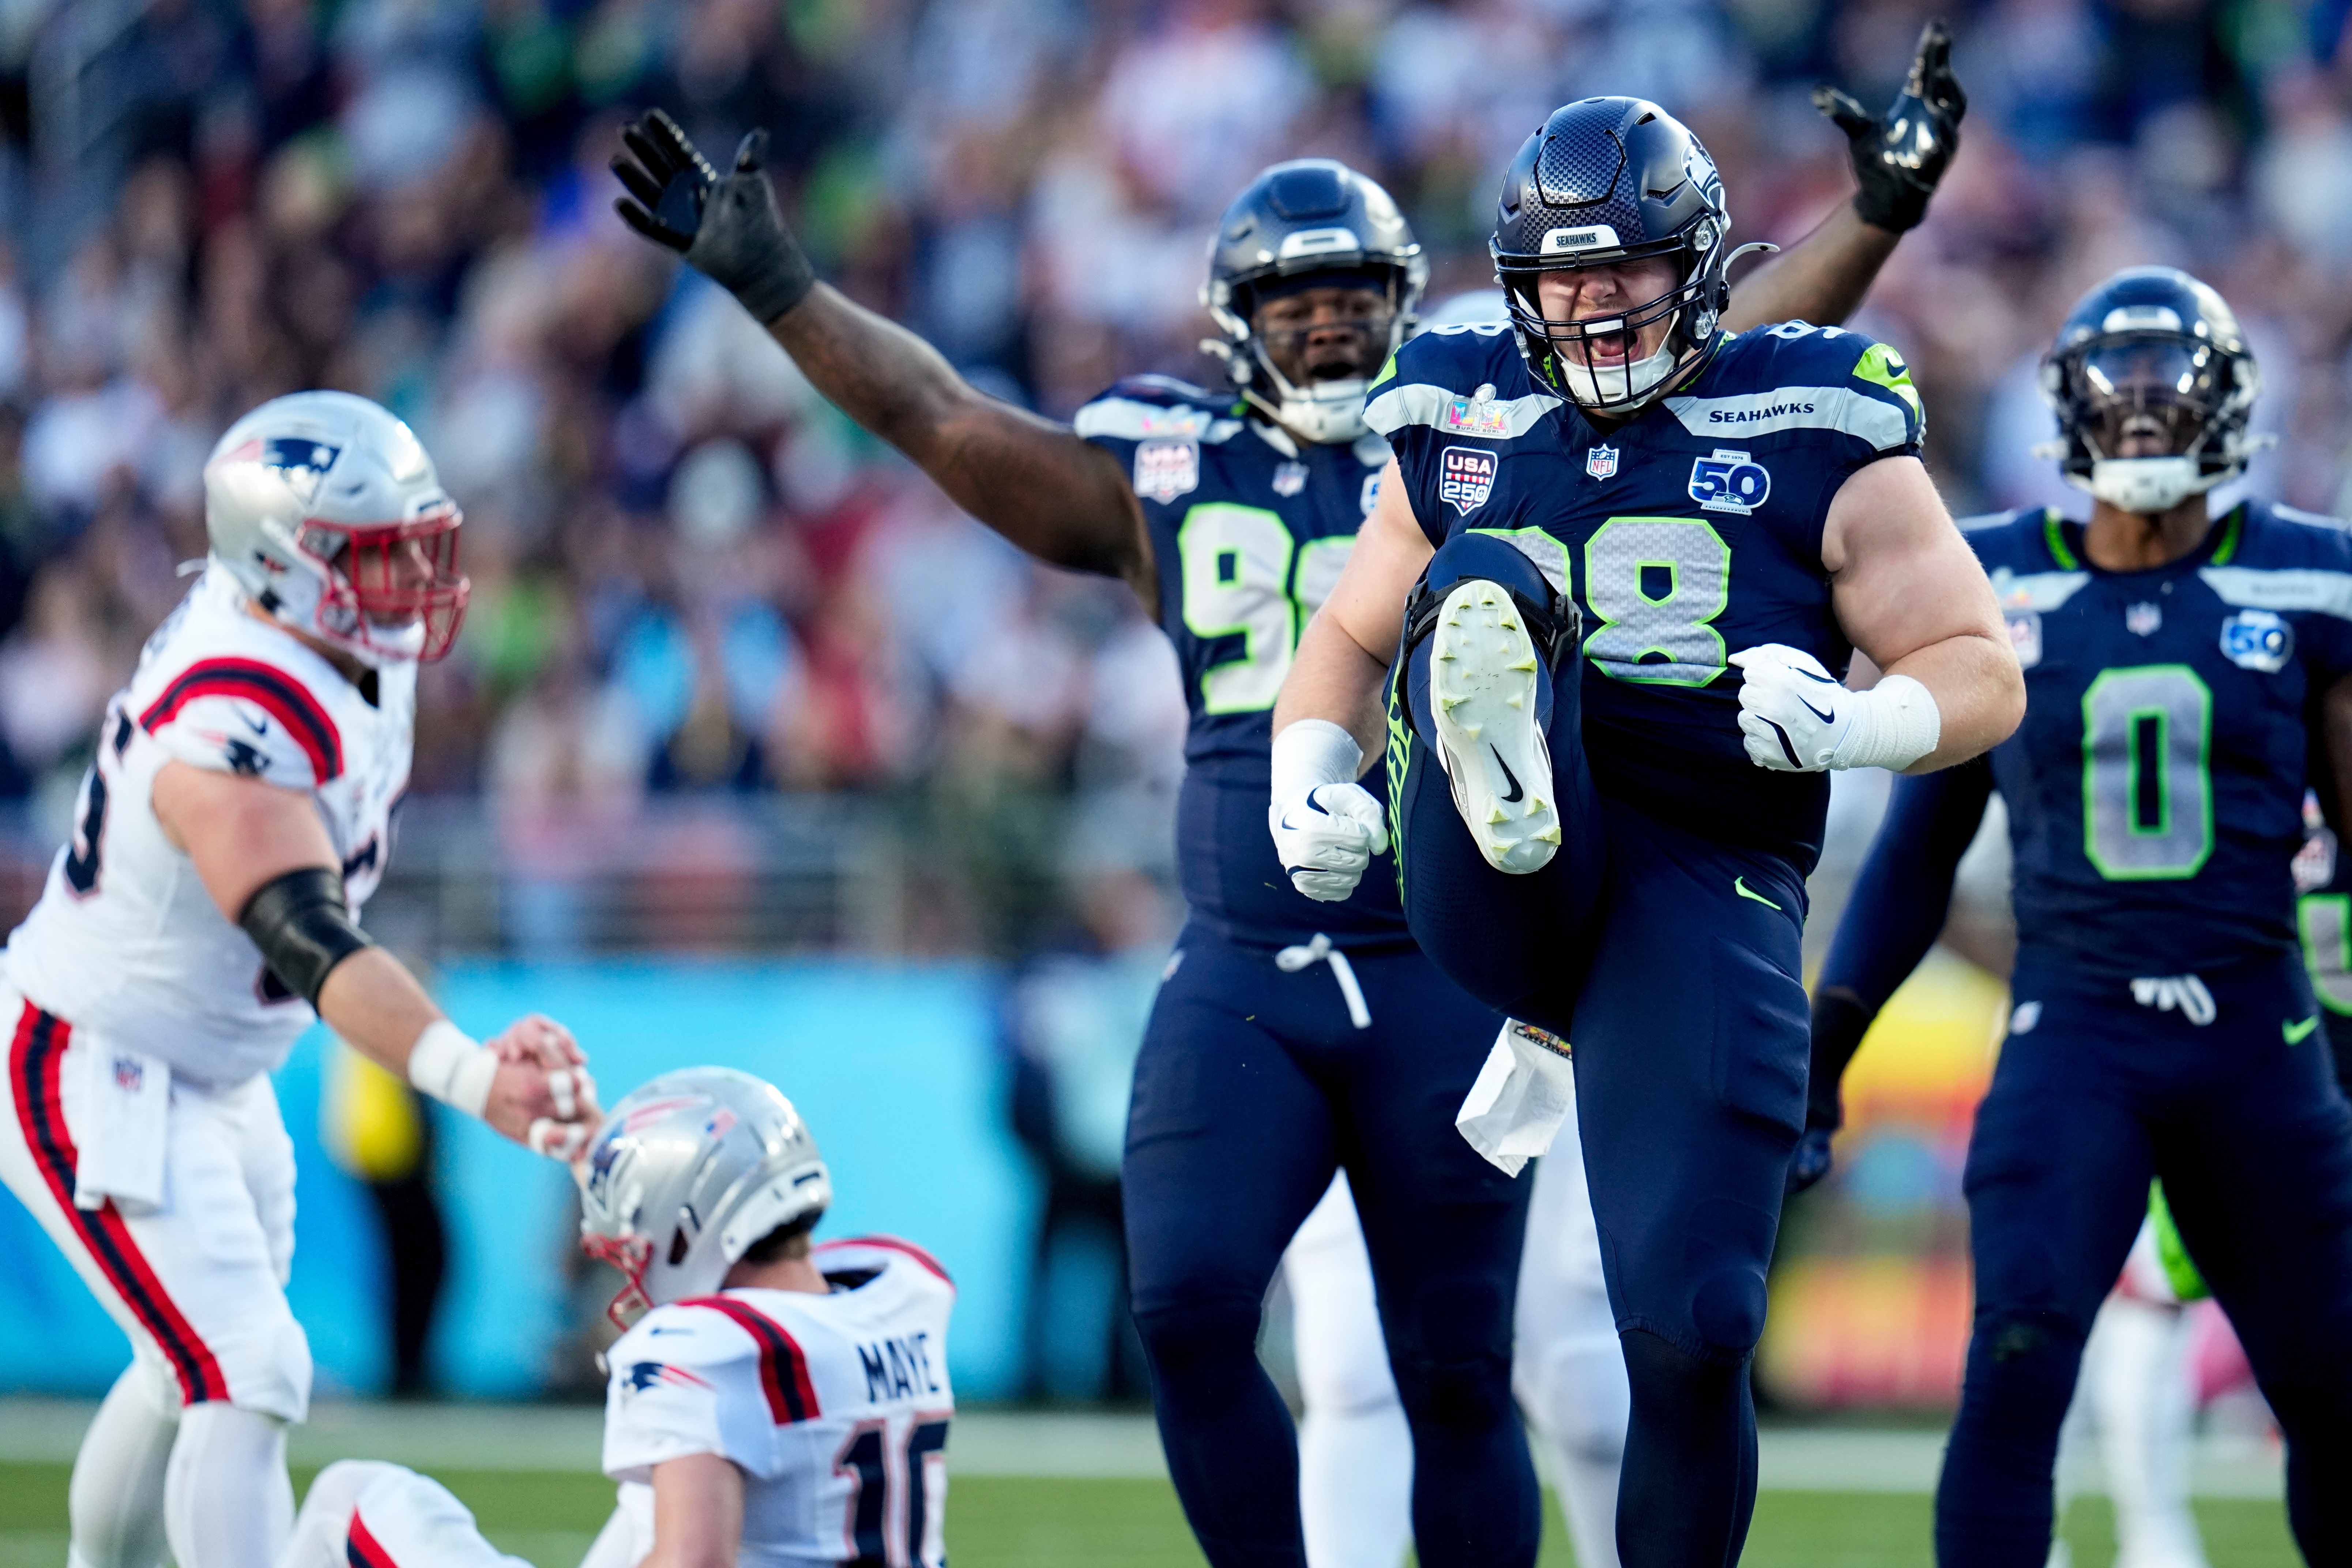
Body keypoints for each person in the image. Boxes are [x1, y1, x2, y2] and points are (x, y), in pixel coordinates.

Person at [606, 84, 1935, 1566]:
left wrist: (1870, 220)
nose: (1324, 329)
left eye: (1353, 295)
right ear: (1235, 320)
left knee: (1454, 1359)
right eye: (1292, 303)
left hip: (1451, 952)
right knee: (1183, 1305)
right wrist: (776, 284)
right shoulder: (1176, 467)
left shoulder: (1483, 419)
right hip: (1252, 942)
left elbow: (1697, 356)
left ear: (1411, 302)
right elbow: (942, 417)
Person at [1267, 89, 2021, 1567]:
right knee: (1482, 589)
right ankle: (1517, 800)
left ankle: (1552, 937)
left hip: (1707, 865)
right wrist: (1306, 769)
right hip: (1495, 869)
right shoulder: (1462, 408)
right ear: (1516, 284)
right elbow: (1350, 637)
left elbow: (1981, 669)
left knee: (1694, 1329)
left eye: (1625, 274)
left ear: (1703, 266)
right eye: (1563, 278)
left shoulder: (1815, 412)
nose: (1594, 309)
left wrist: (1858, 725)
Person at [1797, 266, 2352, 1565]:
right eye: (2123, 396)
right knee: (2015, 1359)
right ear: (2065, 415)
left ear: (2229, 411)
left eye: (2174, 396)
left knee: (2332, 1389)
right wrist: (1825, 1056)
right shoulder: (1994, 578)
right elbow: (1916, 858)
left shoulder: (2307, 579)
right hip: (2075, 1032)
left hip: (2258, 1038)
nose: (2146, 422)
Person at [0, 391, 600, 1568]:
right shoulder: (236, 710)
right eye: (380, 557)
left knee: (196, 1363)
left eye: (422, 542)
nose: (418, 577)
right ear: (285, 568)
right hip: (91, 1055)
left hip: (210, 1062)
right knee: (245, 1362)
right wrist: (476, 1078)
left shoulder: (337, 643)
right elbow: (311, 942)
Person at [277, 1066, 955, 1568]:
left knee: (352, 1492)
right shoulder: (901, 1291)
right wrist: (613, 1151)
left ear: (695, 1226)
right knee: (646, 1505)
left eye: (635, 1241)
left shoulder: (700, 1349)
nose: (629, 1266)